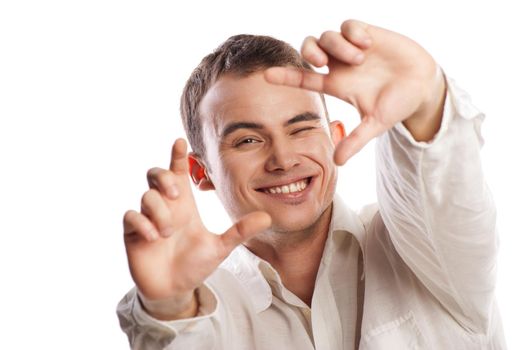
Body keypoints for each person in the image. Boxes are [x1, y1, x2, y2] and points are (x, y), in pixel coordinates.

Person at [117, 19, 506, 349]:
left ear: (335, 136)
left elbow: (444, 192)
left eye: (301, 129)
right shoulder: (204, 306)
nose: (284, 159)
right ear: (201, 173)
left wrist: (425, 102)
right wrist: (169, 310)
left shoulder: (427, 251)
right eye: (248, 140)